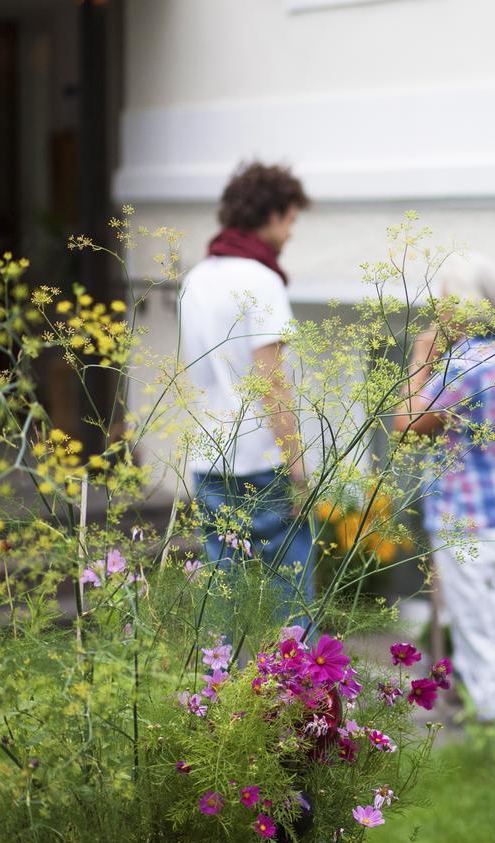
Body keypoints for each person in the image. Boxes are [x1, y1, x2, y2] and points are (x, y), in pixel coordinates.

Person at [392, 254, 495, 720]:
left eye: (447, 298)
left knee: (476, 629)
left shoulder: (463, 364)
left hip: (466, 521)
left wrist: (420, 359)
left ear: (466, 306)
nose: (439, 308)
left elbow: (405, 422)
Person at [180, 161, 316, 622]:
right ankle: (302, 693)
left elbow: (196, 369)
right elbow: (270, 381)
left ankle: (225, 691)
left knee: (224, 591)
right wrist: (298, 467)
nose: (292, 232)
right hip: (261, 458)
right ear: (274, 214)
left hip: (208, 452)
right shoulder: (262, 279)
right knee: (289, 582)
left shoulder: (196, 279)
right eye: (292, 219)